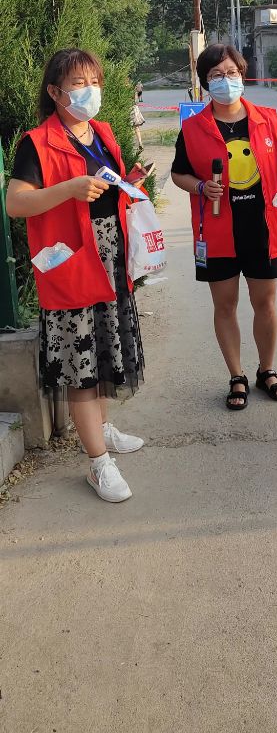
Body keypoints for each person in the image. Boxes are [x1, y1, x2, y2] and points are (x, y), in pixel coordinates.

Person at [6, 48, 146, 503]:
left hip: (109, 257)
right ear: (55, 92)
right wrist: (68, 189)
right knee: (80, 364)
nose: (90, 91)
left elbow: (106, 188)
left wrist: (128, 184)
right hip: (71, 263)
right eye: (79, 84)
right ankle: (98, 463)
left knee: (104, 348)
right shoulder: (37, 143)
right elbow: (16, 203)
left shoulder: (102, 132)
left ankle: (101, 428)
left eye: (94, 82)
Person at [171, 43, 277, 410]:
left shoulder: (267, 120)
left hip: (262, 229)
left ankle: (267, 370)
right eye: (216, 75)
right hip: (216, 231)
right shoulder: (193, 128)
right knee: (225, 306)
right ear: (205, 82)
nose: (225, 80)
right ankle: (236, 376)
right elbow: (178, 173)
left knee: (265, 303)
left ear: (242, 74)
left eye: (231, 73)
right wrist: (200, 187)